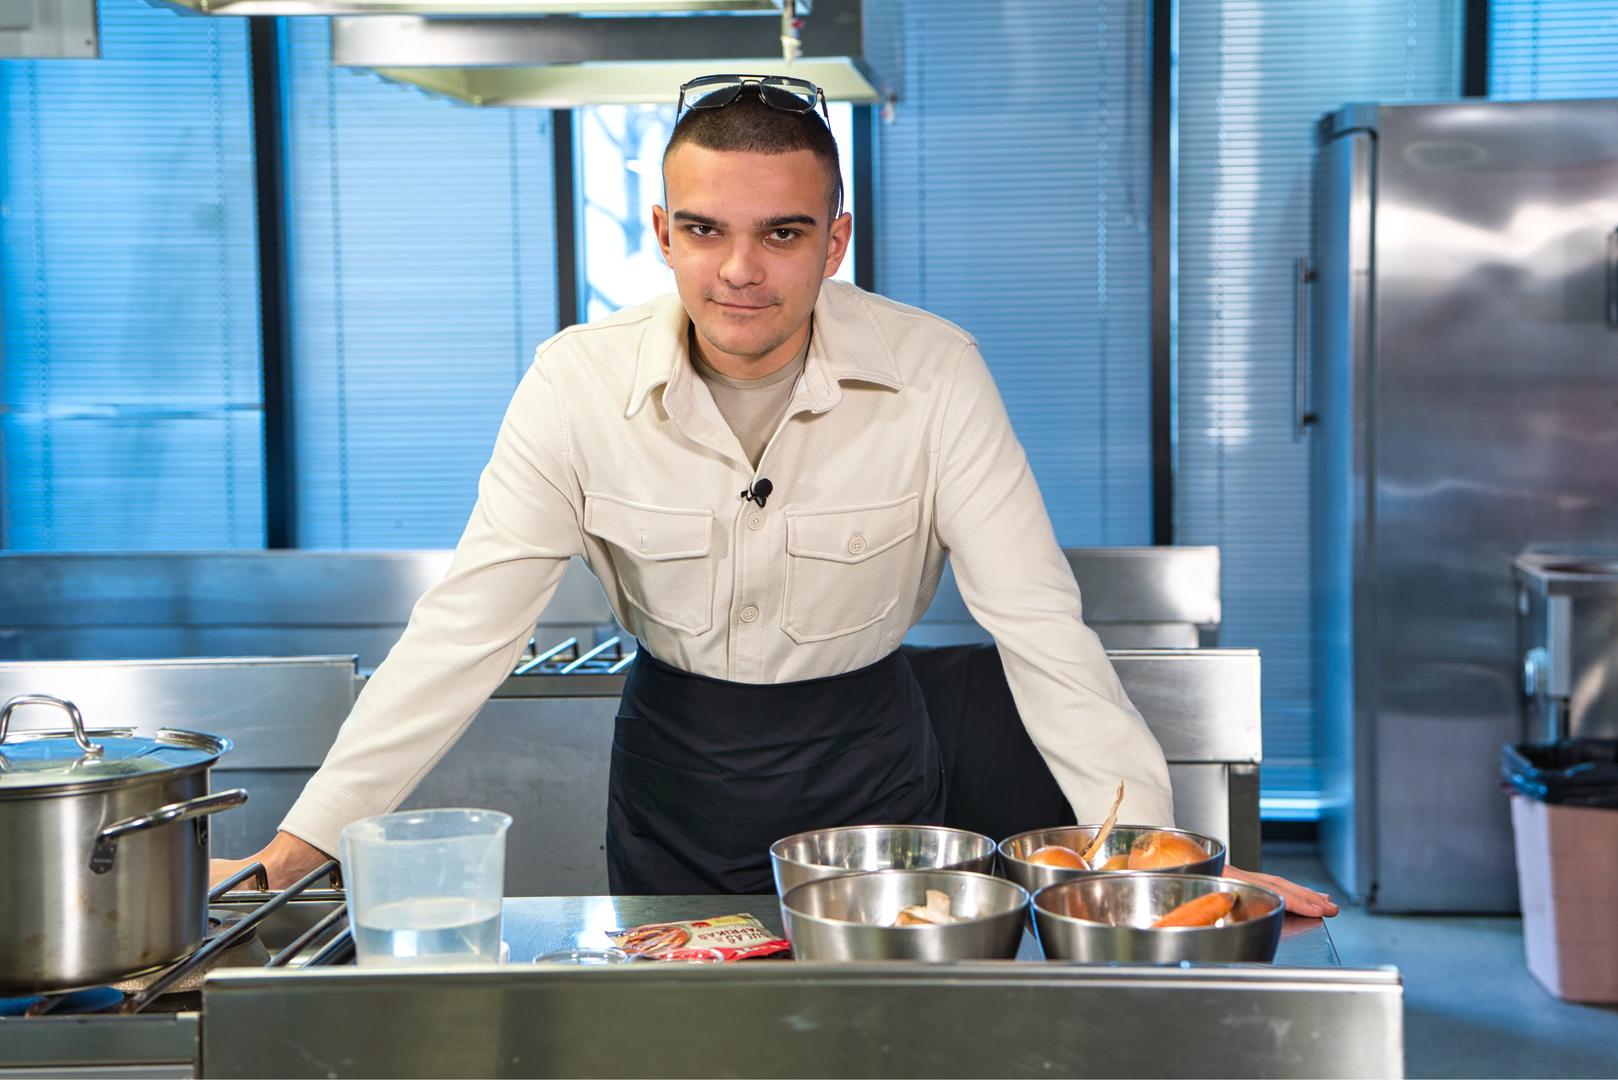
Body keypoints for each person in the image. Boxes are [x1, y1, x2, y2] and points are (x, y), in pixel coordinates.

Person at [213, 73, 1335, 916]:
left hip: (871, 777)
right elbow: (464, 628)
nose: (739, 270)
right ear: (663, 232)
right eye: (704, 230)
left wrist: (1155, 862)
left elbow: (1039, 624)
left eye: (781, 233)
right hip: (675, 774)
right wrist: (303, 844)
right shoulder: (575, 384)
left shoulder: (934, 373)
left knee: (876, 1047)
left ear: (834, 241)